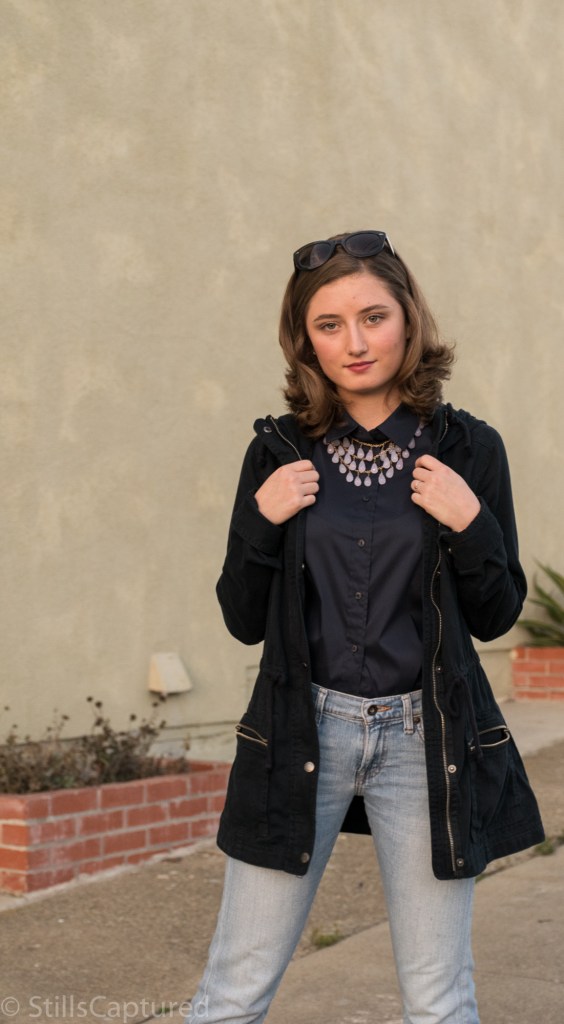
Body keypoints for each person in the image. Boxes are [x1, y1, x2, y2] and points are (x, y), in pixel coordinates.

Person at [188, 231, 544, 1024]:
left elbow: (497, 611)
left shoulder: (469, 449)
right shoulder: (277, 452)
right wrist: (261, 521)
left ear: (409, 318)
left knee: (439, 997)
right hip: (300, 731)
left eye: (373, 316)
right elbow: (242, 620)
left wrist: (471, 520)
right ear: (303, 338)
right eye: (328, 325)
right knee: (233, 991)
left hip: (427, 741)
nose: (354, 343)